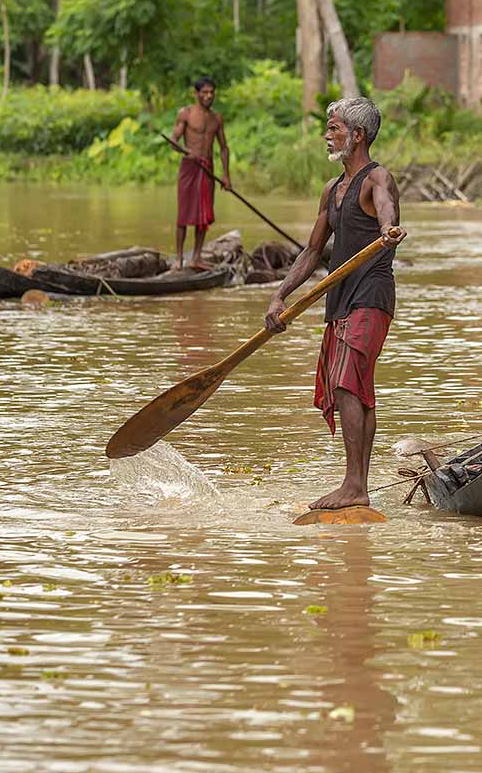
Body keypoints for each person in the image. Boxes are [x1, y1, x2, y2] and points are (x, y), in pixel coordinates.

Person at [263, 97, 404, 511]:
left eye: (334, 128)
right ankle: (356, 484)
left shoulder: (378, 178)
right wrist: (279, 295)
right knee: (357, 390)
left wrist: (388, 229)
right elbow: (311, 252)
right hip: (340, 296)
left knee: (346, 382)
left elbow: (386, 208)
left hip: (372, 293)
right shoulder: (332, 189)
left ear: (357, 135)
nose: (327, 134)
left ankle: (353, 486)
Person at [170, 76, 231, 268]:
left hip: (207, 168)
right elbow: (174, 140)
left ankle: (196, 257)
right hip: (189, 167)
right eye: (204, 92)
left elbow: (223, 148)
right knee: (184, 214)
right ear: (196, 94)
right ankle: (179, 259)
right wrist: (185, 151)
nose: (208, 96)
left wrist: (226, 175)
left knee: (203, 214)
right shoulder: (186, 113)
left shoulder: (216, 118)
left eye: (211, 92)